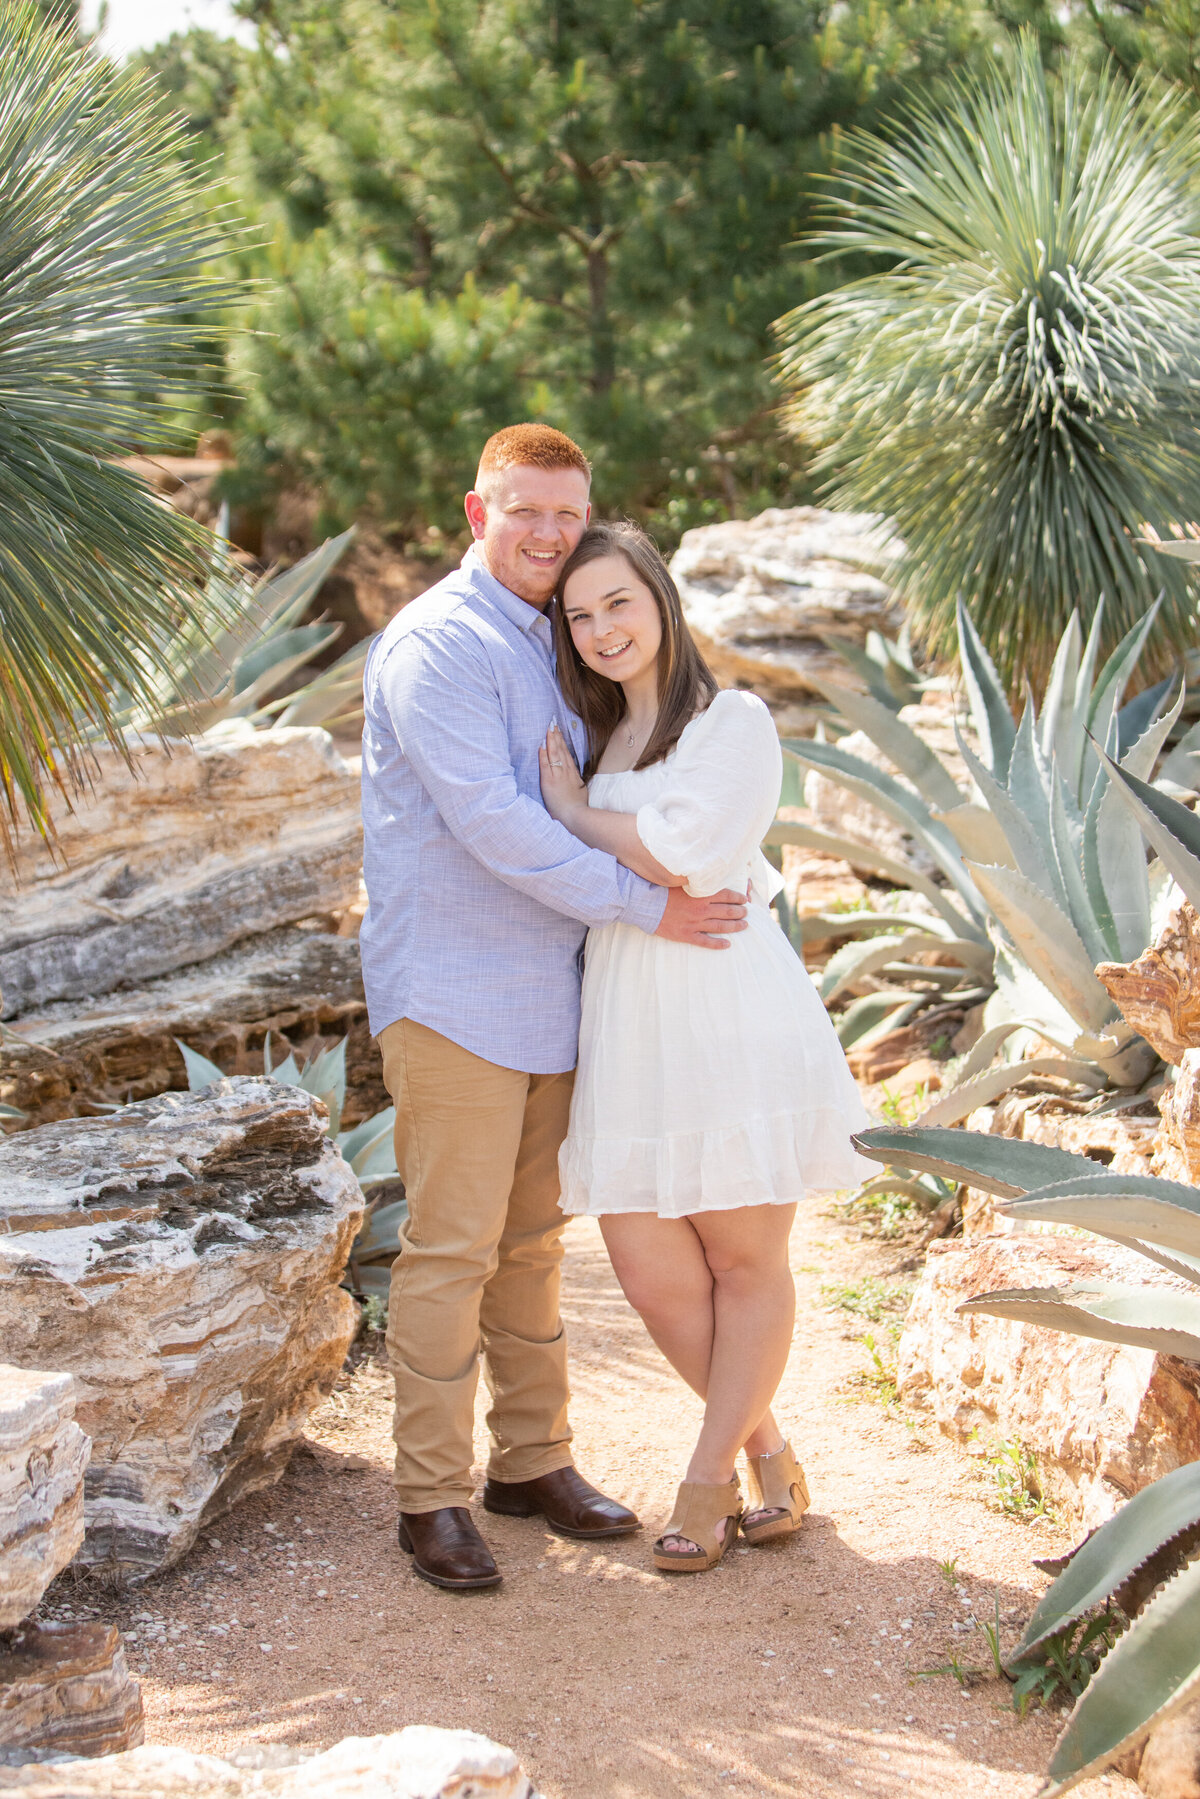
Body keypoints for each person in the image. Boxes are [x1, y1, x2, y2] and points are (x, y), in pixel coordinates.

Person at [359, 425, 750, 1592]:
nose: (546, 534)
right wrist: (649, 901)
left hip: (557, 992)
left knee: (532, 1245)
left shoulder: (562, 637)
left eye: (567, 516)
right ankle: (429, 1494)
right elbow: (498, 824)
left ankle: (530, 1461)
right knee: (449, 1249)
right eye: (522, 510)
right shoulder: (438, 644)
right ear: (476, 514)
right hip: (455, 995)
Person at [539, 520, 872, 1575]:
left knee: (742, 1258)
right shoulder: (601, 743)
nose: (600, 630)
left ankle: (704, 1477)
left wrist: (569, 812)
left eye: (617, 603)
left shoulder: (734, 722)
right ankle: (765, 1442)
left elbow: (689, 855)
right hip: (631, 1017)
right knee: (649, 1270)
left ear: (661, 602)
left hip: (727, 1006)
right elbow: (641, 856)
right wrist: (588, 799)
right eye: (578, 615)